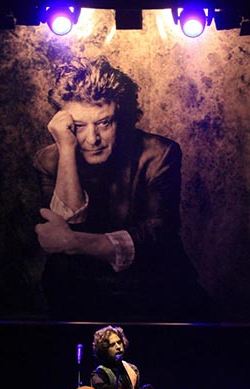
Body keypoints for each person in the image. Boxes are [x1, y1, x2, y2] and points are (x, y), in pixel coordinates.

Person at [34, 55, 211, 322]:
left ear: (124, 118)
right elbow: (65, 224)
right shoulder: (51, 159)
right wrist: (67, 148)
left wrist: (73, 241)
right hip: (79, 295)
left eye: (104, 122)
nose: (92, 139)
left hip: (156, 293)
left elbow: (157, 235)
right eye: (79, 126)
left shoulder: (160, 154)